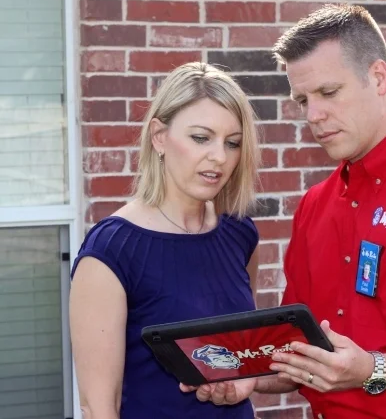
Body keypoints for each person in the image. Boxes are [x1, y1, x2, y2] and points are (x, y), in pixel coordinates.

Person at [182, 4, 386, 419]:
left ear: (378, 77)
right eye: (302, 99)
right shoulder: (317, 203)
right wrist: (248, 377)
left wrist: (371, 370)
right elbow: (302, 345)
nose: (313, 115)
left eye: (328, 92)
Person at [69, 62, 261, 419]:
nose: (219, 157)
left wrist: (244, 379)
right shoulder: (112, 250)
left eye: (232, 143)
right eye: (201, 137)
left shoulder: (239, 232)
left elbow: (243, 351)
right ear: (159, 136)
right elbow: (98, 408)